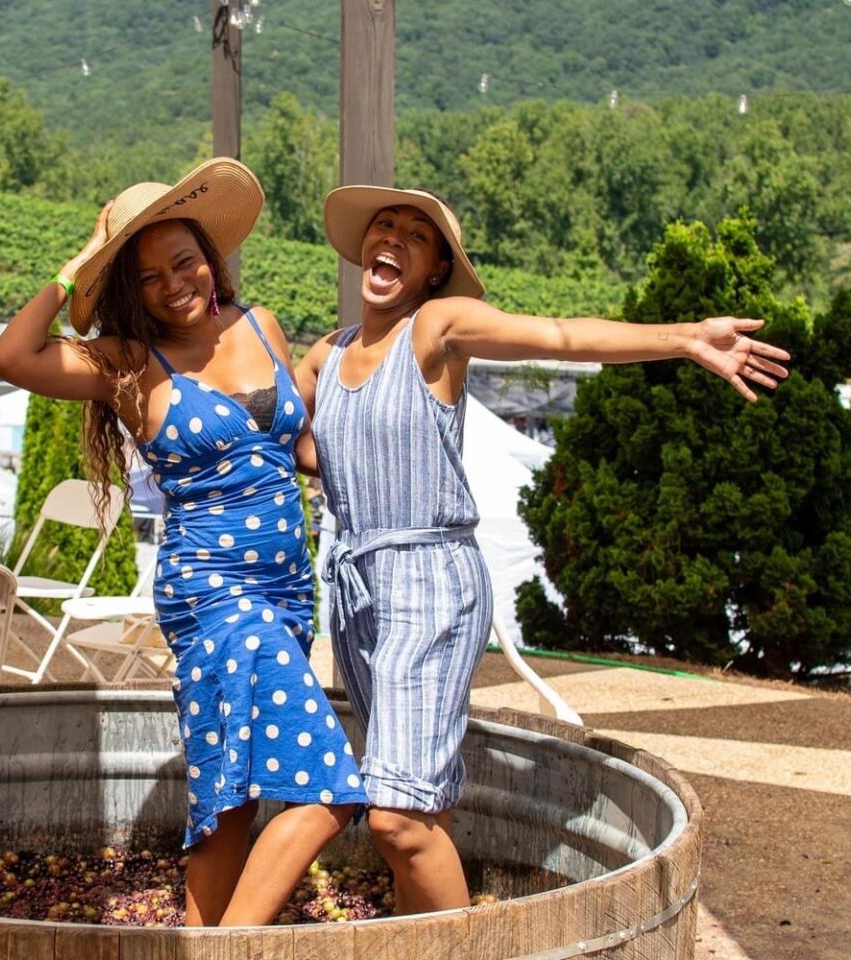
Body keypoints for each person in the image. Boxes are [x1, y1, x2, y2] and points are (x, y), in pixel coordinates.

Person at [292, 185, 791, 914]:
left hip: (429, 583)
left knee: (394, 818)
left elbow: (556, 334)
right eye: (383, 226)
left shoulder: (436, 326)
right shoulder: (326, 356)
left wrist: (683, 338)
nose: (392, 239)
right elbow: (290, 437)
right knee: (417, 803)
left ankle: (460, 943)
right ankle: (417, 931)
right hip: (357, 592)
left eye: (416, 236)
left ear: (434, 271)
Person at [0, 158, 369, 927]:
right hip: (212, 590)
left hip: (290, 593)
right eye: (149, 275)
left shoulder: (260, 324)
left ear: (211, 258)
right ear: (131, 293)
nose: (174, 283)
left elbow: (295, 446)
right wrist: (72, 271)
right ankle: (227, 950)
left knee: (234, 795)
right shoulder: (126, 365)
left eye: (184, 261)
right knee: (329, 791)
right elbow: (10, 357)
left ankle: (196, 937)